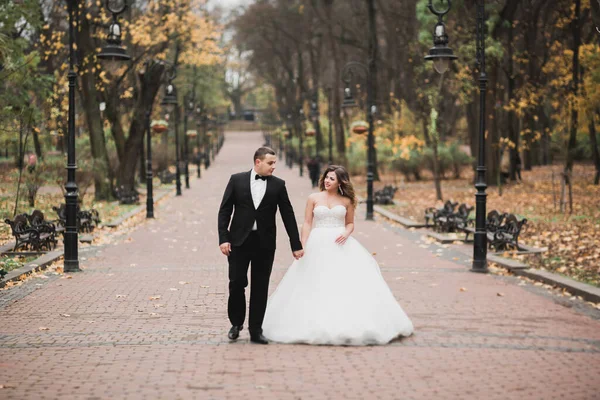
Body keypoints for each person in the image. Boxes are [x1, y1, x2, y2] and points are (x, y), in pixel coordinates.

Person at [262, 165, 414, 345]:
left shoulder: (346, 201)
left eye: (332, 179)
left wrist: (346, 233)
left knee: (343, 282)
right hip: (317, 242)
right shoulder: (313, 198)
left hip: (340, 242)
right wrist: (303, 243)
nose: (327, 181)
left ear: (340, 182)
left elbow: (350, 223)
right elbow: (307, 223)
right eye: (326, 177)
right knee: (314, 281)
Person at [218, 147, 304, 344]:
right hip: (238, 242)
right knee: (236, 283)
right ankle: (236, 323)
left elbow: (287, 215)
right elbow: (224, 211)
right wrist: (224, 238)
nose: (274, 166)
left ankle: (256, 330)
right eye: (270, 163)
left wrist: (295, 244)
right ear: (258, 162)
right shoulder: (236, 180)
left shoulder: (279, 185)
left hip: (264, 244)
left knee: (260, 286)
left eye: (275, 163)